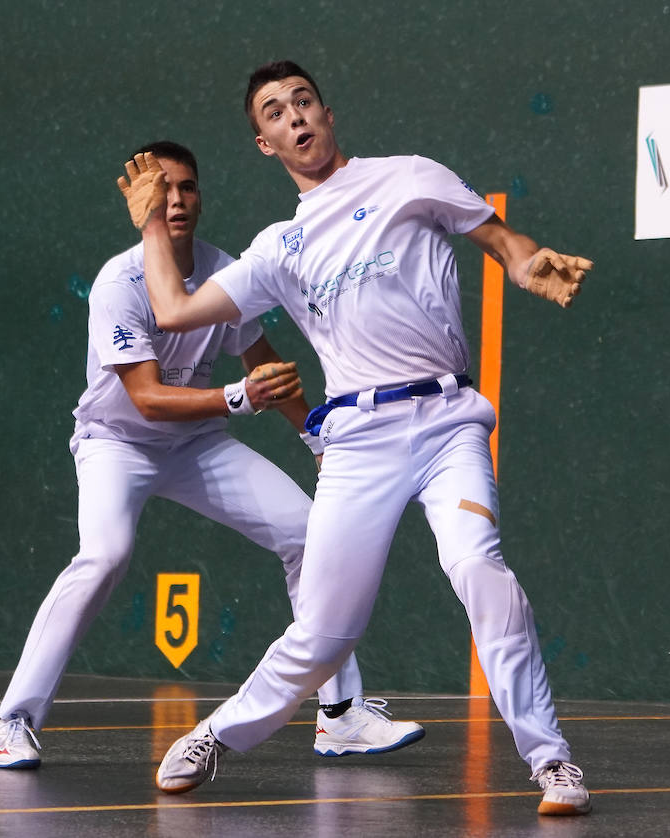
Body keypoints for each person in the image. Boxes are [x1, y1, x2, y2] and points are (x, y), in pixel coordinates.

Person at [120, 64, 594, 816]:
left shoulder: (411, 178)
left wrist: (534, 264)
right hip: (358, 439)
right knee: (325, 628)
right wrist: (151, 223)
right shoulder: (278, 248)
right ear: (264, 142)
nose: (295, 119)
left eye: (303, 103)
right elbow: (174, 309)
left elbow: (505, 244)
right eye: (276, 113)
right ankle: (218, 734)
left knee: (478, 568)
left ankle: (553, 762)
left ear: (328, 113)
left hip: (445, 423)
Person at [0, 140, 424, 771]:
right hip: (118, 443)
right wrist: (239, 398)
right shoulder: (119, 282)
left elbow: (261, 360)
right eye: (163, 190)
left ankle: (340, 715)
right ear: (141, 203)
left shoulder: (222, 270)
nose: (177, 199)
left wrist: (316, 437)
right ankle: (11, 721)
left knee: (308, 532)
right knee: (103, 555)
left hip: (195, 445)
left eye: (187, 187)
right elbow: (147, 399)